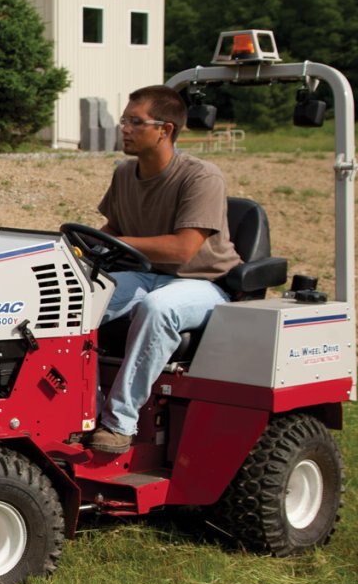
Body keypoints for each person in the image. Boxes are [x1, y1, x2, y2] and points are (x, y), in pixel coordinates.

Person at [86, 85, 242, 454]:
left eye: (135, 122)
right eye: (124, 120)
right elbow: (112, 230)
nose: (124, 128)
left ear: (165, 129)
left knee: (158, 309)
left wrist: (118, 242)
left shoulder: (201, 177)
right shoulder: (125, 174)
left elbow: (183, 248)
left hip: (204, 281)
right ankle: (84, 410)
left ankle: (119, 423)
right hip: (146, 274)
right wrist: (83, 246)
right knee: (81, 297)